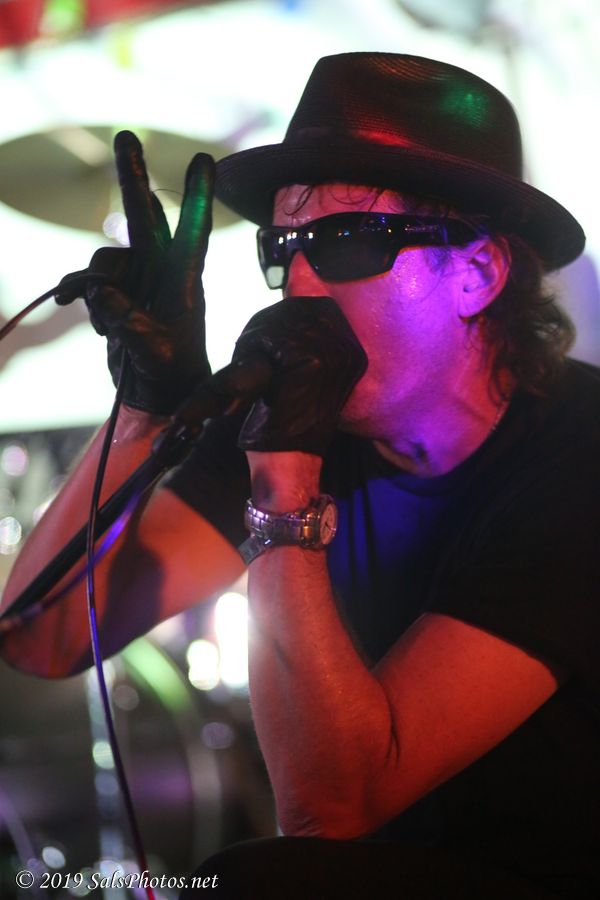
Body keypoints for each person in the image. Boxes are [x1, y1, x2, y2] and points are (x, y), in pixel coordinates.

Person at [1, 52, 598, 899]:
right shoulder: (301, 414)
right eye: (283, 248)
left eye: (349, 241)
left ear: (476, 272)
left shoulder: (578, 458)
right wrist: (144, 410)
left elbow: (327, 812)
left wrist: (285, 483)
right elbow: (43, 637)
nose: (301, 282)